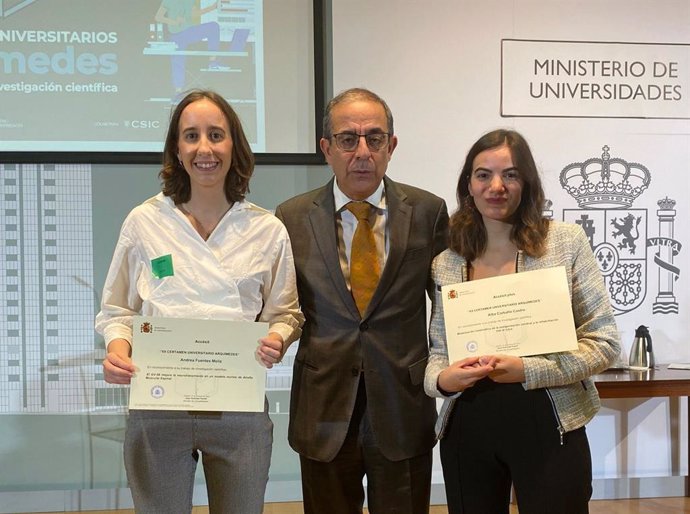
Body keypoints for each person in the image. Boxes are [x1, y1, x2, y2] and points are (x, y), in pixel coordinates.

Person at [95, 90, 303, 514]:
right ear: (176, 147)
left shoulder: (266, 229)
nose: (204, 148)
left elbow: (286, 312)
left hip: (238, 406)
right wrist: (118, 352)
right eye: (191, 135)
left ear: (234, 146)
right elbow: (118, 311)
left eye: (216, 135)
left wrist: (278, 339)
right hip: (158, 403)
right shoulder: (145, 222)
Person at [423, 129, 621, 514]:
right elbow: (438, 353)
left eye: (510, 175)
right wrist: (442, 381)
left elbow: (605, 343)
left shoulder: (564, 243)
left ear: (527, 182)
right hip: (468, 426)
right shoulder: (447, 262)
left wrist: (528, 370)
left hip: (551, 424)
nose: (496, 187)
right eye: (484, 175)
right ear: (469, 184)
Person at [275, 87, 449, 514]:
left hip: (402, 405)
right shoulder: (291, 217)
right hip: (324, 406)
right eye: (348, 139)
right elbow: (280, 307)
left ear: (391, 147)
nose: (362, 151)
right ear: (326, 149)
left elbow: (449, 303)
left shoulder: (429, 211)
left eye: (374, 138)